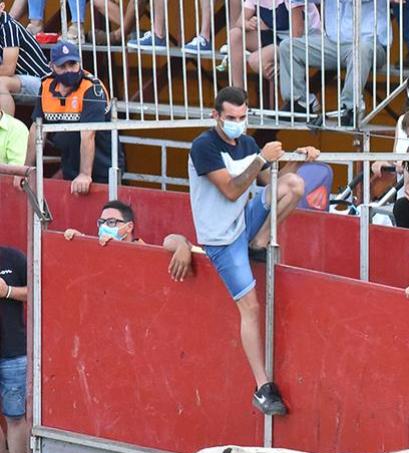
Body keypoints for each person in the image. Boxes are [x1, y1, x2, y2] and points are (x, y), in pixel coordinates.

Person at [189, 87, 317, 416]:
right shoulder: (203, 147)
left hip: (244, 224)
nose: (237, 123)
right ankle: (262, 386)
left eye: (242, 117)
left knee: (294, 185)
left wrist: (297, 159)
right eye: (231, 118)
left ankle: (258, 242)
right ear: (215, 115)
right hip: (220, 237)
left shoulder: (245, 143)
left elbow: (267, 181)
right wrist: (263, 158)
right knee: (251, 307)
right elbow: (232, 190)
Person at [19, 42, 120, 194]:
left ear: (79, 62)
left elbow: (88, 134)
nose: (69, 70)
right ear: (52, 66)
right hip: (70, 167)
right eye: (62, 66)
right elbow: (36, 129)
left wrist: (85, 174)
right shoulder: (46, 85)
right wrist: (25, 169)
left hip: (101, 170)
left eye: (72, 64)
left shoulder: (91, 88)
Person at [278, 0, 389, 126]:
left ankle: (350, 108)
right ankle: (300, 103)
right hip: (334, 43)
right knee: (288, 47)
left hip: (370, 42)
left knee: (360, 49)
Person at [62, 199, 197, 281]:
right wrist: (79, 242)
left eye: (111, 222)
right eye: (101, 222)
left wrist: (182, 245)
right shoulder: (98, 247)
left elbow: (171, 241)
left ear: (129, 227)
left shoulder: (143, 250)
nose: (104, 227)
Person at [227, 0, 318, 107]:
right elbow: (239, 22)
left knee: (257, 60)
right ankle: (238, 97)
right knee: (235, 35)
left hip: (305, 41)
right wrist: (248, 23)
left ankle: (303, 98)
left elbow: (296, 35)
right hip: (278, 37)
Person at [0, 243, 27, 453]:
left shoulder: (12, 257)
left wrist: (7, 291)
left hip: (13, 350)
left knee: (15, 415)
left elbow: (37, 290)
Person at [0, 1, 48, 117]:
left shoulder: (8, 26)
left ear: (1, 7)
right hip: (18, 80)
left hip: (42, 83)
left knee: (0, 83)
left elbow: (8, 69)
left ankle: (7, 132)